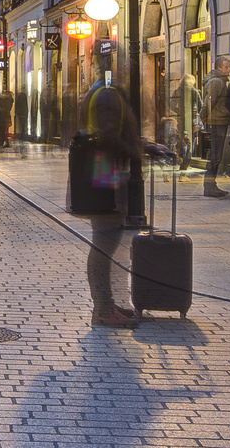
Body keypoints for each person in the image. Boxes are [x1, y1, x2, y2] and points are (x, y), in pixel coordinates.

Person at [79, 77, 144, 328]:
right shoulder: (107, 95)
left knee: (105, 245)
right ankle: (103, 309)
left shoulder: (104, 92)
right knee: (104, 247)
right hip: (104, 175)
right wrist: (136, 152)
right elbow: (108, 135)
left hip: (104, 173)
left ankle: (105, 304)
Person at [201, 56, 230, 198]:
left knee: (216, 155)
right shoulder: (217, 82)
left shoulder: (220, 81)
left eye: (229, 66)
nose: (229, 69)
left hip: (219, 120)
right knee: (215, 156)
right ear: (219, 68)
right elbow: (209, 101)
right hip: (217, 121)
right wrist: (203, 117)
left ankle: (211, 185)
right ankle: (209, 187)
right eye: (226, 67)